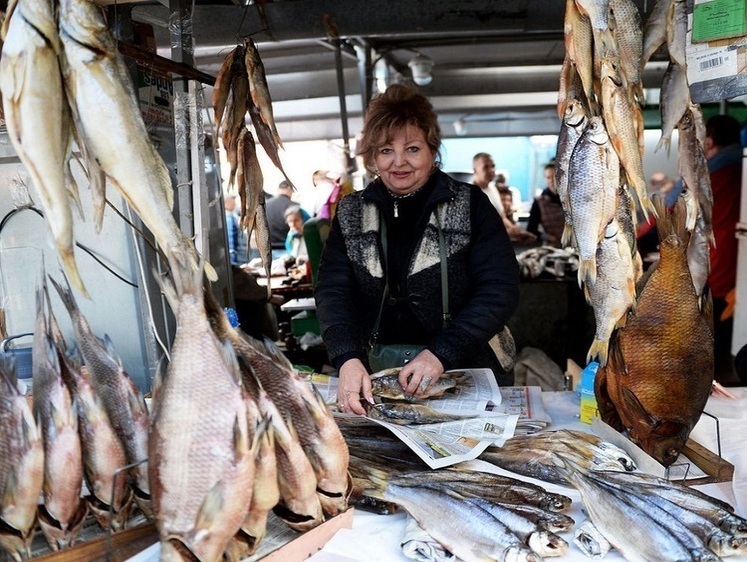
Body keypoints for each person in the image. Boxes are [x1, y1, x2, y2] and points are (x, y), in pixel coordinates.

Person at [315, 84, 520, 415]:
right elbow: (333, 290)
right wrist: (347, 357)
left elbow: (499, 289)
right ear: (372, 157)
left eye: (412, 149)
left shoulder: (470, 204)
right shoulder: (352, 211)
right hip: (377, 373)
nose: (399, 163)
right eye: (385, 150)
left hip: (463, 366)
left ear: (432, 151)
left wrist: (441, 352)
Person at [704, 114, 742, 383]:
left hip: (720, 271)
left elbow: (674, 212)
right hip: (739, 271)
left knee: (720, 349)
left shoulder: (712, 175)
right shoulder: (742, 166)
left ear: (708, 141)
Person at [471, 152, 535, 243]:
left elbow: (501, 217)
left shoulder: (492, 188)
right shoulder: (470, 193)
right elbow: (477, 228)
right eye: (486, 167)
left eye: (493, 166)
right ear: (475, 170)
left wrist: (516, 232)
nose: (491, 170)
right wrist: (508, 233)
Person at [526, 162, 565, 247]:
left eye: (555, 176)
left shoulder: (574, 199)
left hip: (576, 249)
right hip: (552, 249)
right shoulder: (539, 202)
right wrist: (547, 237)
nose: (552, 181)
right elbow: (531, 229)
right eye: (548, 178)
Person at [266, 181, 297, 258]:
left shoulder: (266, 205)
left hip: (268, 252)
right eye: (292, 192)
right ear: (289, 189)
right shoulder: (293, 206)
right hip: (288, 250)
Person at [224, 194, 243, 265]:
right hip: (235, 256)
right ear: (227, 202)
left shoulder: (231, 216)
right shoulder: (228, 218)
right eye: (233, 201)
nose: (235, 203)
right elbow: (230, 239)